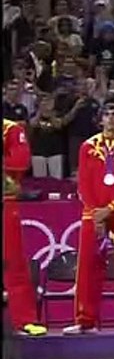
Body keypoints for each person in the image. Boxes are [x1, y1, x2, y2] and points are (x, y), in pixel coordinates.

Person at [66, 103, 114, 333]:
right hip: (93, 214)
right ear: (100, 120)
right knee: (88, 267)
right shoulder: (87, 147)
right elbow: (83, 183)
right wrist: (95, 212)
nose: (111, 119)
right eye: (107, 115)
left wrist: (109, 208)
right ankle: (85, 320)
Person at [2, 118, 45, 336]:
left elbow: (20, 161)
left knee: (14, 263)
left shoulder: (10, 129)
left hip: (5, 202)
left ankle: (24, 320)